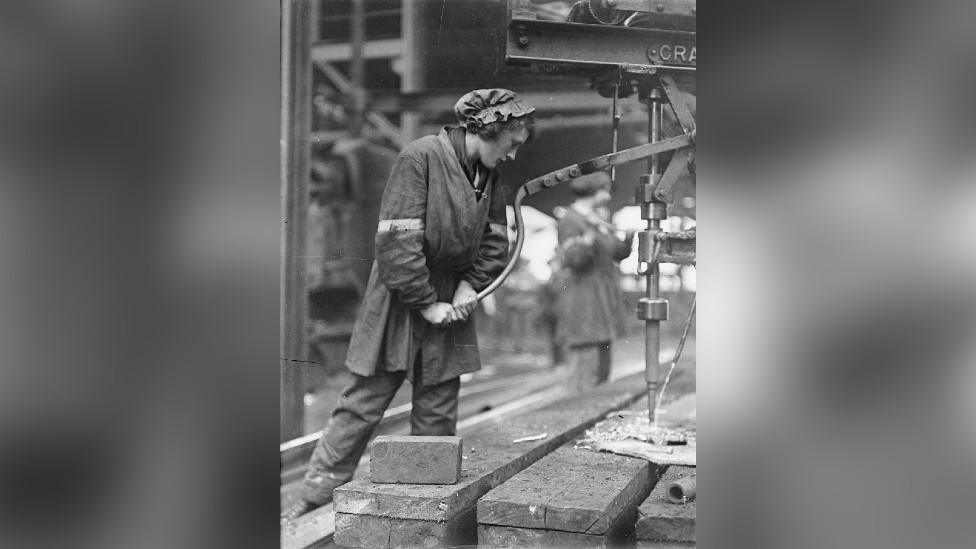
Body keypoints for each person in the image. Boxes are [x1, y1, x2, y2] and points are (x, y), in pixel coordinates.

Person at [281, 89, 535, 523]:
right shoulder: (420, 158)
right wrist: (425, 302)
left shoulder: (489, 175)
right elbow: (397, 243)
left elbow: (495, 240)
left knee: (439, 400)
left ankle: (421, 504)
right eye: (511, 144)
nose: (512, 155)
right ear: (487, 131)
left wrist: (467, 289)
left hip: (451, 296)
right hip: (401, 293)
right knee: (366, 398)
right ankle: (316, 494)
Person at [553, 171, 634, 394]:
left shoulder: (598, 218)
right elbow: (574, 259)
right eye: (605, 189)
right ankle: (576, 414)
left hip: (602, 298)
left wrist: (628, 239)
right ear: (594, 191)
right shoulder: (571, 219)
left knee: (602, 365)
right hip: (584, 298)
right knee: (585, 364)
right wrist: (588, 232)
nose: (608, 194)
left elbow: (615, 252)